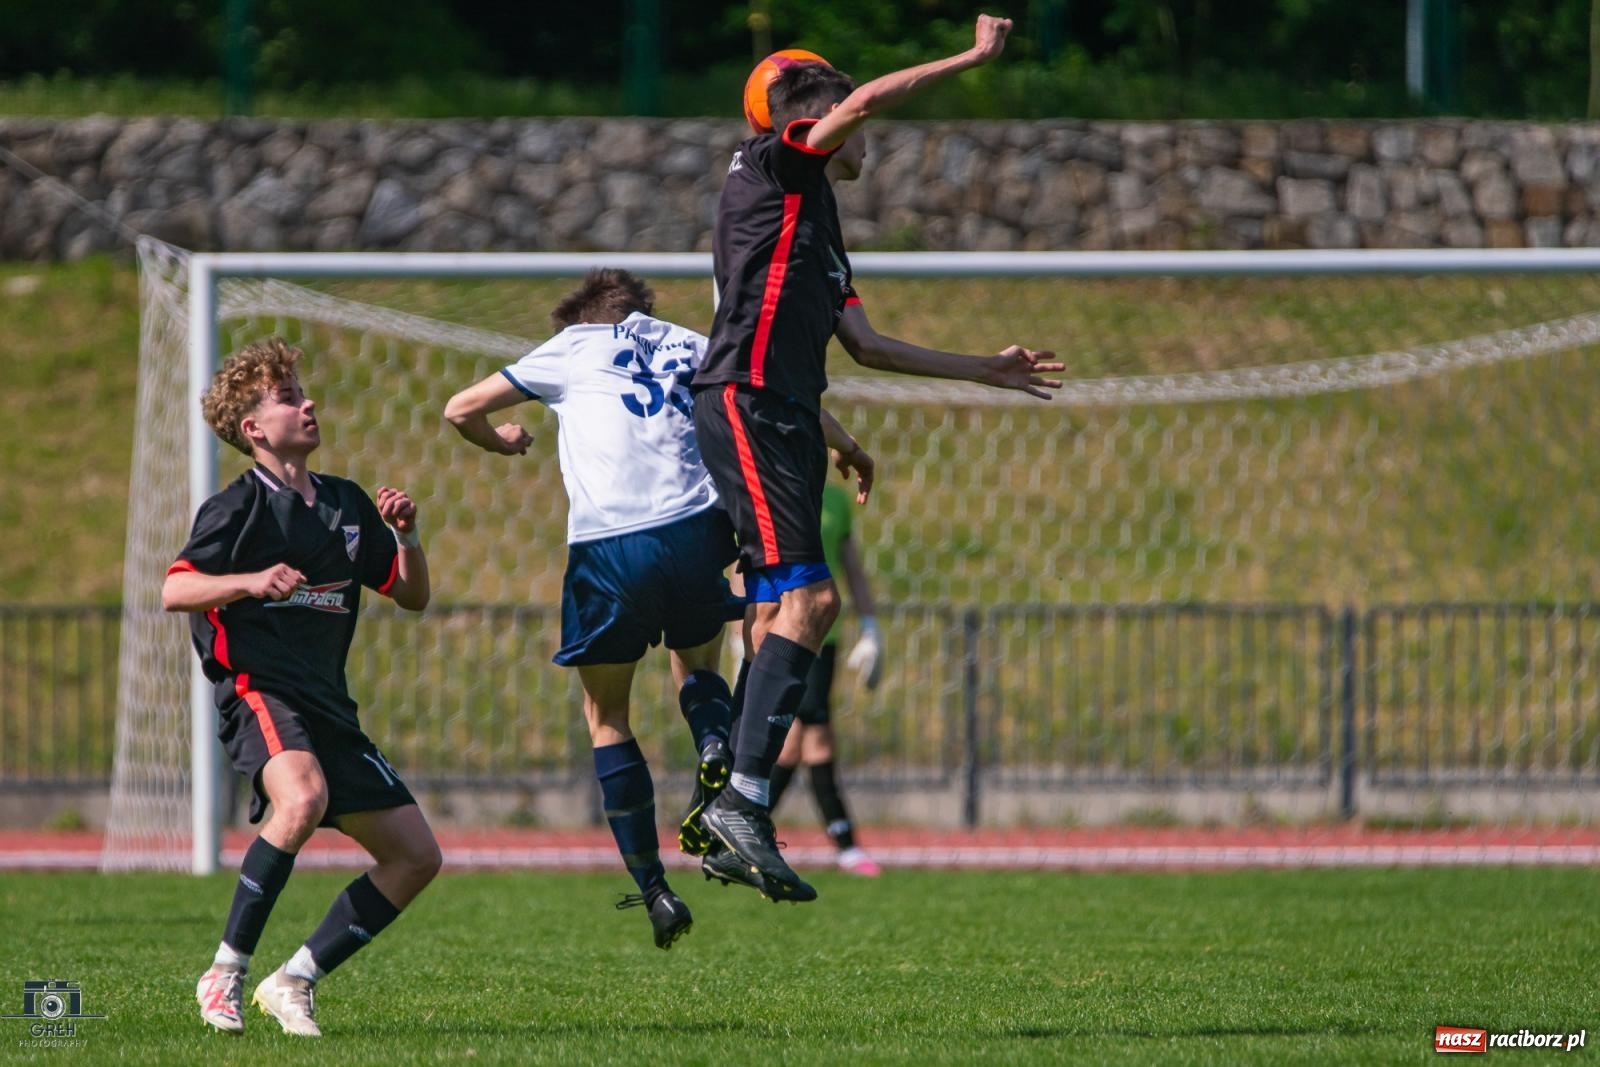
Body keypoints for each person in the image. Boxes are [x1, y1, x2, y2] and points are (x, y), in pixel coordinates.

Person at [687, 12, 1062, 903]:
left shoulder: (817, 221)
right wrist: (970, 57)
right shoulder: (775, 162)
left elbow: (864, 345)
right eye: (854, 119)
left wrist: (986, 371)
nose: (868, 137)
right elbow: (854, 109)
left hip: (784, 412)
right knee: (811, 599)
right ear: (809, 118)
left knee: (777, 609)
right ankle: (739, 797)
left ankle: (729, 804)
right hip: (747, 402)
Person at [441, 270, 874, 942]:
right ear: (641, 310)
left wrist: (501, 440)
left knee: (607, 714)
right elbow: (781, 395)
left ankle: (654, 891)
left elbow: (459, 407)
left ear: (578, 320)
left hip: (608, 546)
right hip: (697, 531)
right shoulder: (693, 343)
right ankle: (710, 743)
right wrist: (847, 445)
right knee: (695, 657)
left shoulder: (571, 348)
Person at [169, 338, 440, 1038]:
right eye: (288, 395)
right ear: (254, 428)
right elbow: (176, 589)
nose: (307, 401)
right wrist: (251, 581)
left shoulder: (347, 504)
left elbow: (410, 596)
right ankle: (223, 971)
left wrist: (406, 537)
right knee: (302, 796)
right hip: (260, 690)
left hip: (328, 705)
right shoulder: (238, 508)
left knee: (416, 855)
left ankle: (293, 980)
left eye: (301, 390)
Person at [767, 481, 884, 876]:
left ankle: (745, 829)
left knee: (796, 740)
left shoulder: (834, 498)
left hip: (825, 634)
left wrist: (870, 627)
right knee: (813, 731)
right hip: (782, 630)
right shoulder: (771, 487)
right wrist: (742, 635)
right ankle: (845, 843)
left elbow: (851, 567)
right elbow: (745, 562)